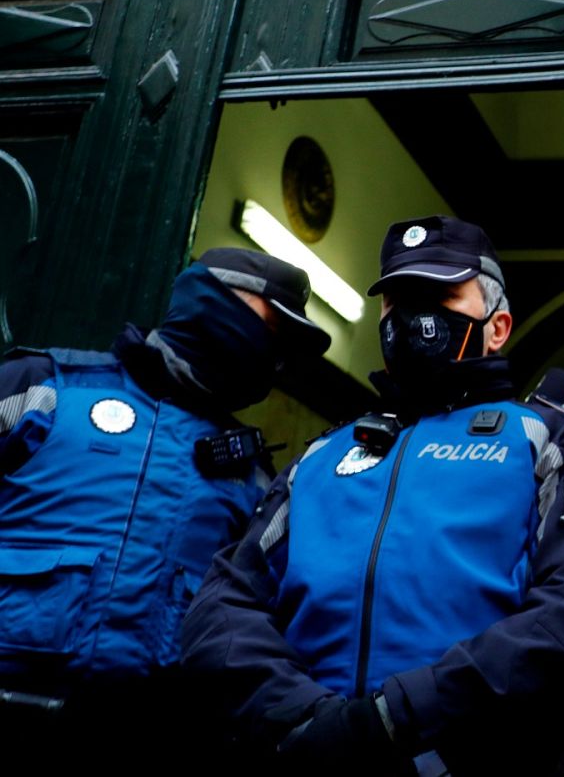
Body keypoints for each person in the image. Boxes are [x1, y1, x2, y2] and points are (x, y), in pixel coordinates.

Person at [181, 216, 564, 775]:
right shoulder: (322, 457)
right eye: (397, 300)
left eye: (441, 296)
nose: (413, 316)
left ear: (498, 326)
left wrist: (398, 716)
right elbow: (222, 606)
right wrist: (301, 718)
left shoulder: (545, 444)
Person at [0, 248, 330, 770]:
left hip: (147, 743)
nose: (276, 355)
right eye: (272, 326)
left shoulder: (252, 479)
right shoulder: (42, 388)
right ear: (216, 302)